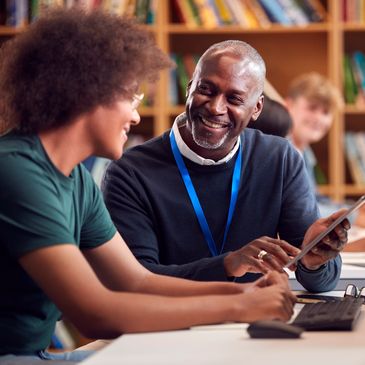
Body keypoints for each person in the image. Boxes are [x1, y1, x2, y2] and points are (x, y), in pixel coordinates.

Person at [0, 11, 297, 363]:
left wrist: (247, 290)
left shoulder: (76, 180)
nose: (136, 116)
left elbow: (137, 281)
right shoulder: (16, 172)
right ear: (85, 93)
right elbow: (95, 314)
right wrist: (237, 305)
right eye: (130, 97)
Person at [102, 40, 349, 292]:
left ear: (257, 108)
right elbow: (135, 280)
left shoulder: (280, 159)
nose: (215, 108)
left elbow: (320, 283)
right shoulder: (129, 172)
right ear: (189, 89)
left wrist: (313, 262)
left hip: (252, 323)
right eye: (206, 90)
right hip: (170, 324)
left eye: (234, 99)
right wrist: (228, 265)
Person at [285, 72, 345, 218]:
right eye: (312, 108)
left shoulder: (305, 152)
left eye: (325, 112)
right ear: (288, 105)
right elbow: (300, 209)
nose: (318, 118)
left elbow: (315, 198)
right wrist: (352, 216)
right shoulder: (280, 151)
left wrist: (351, 209)